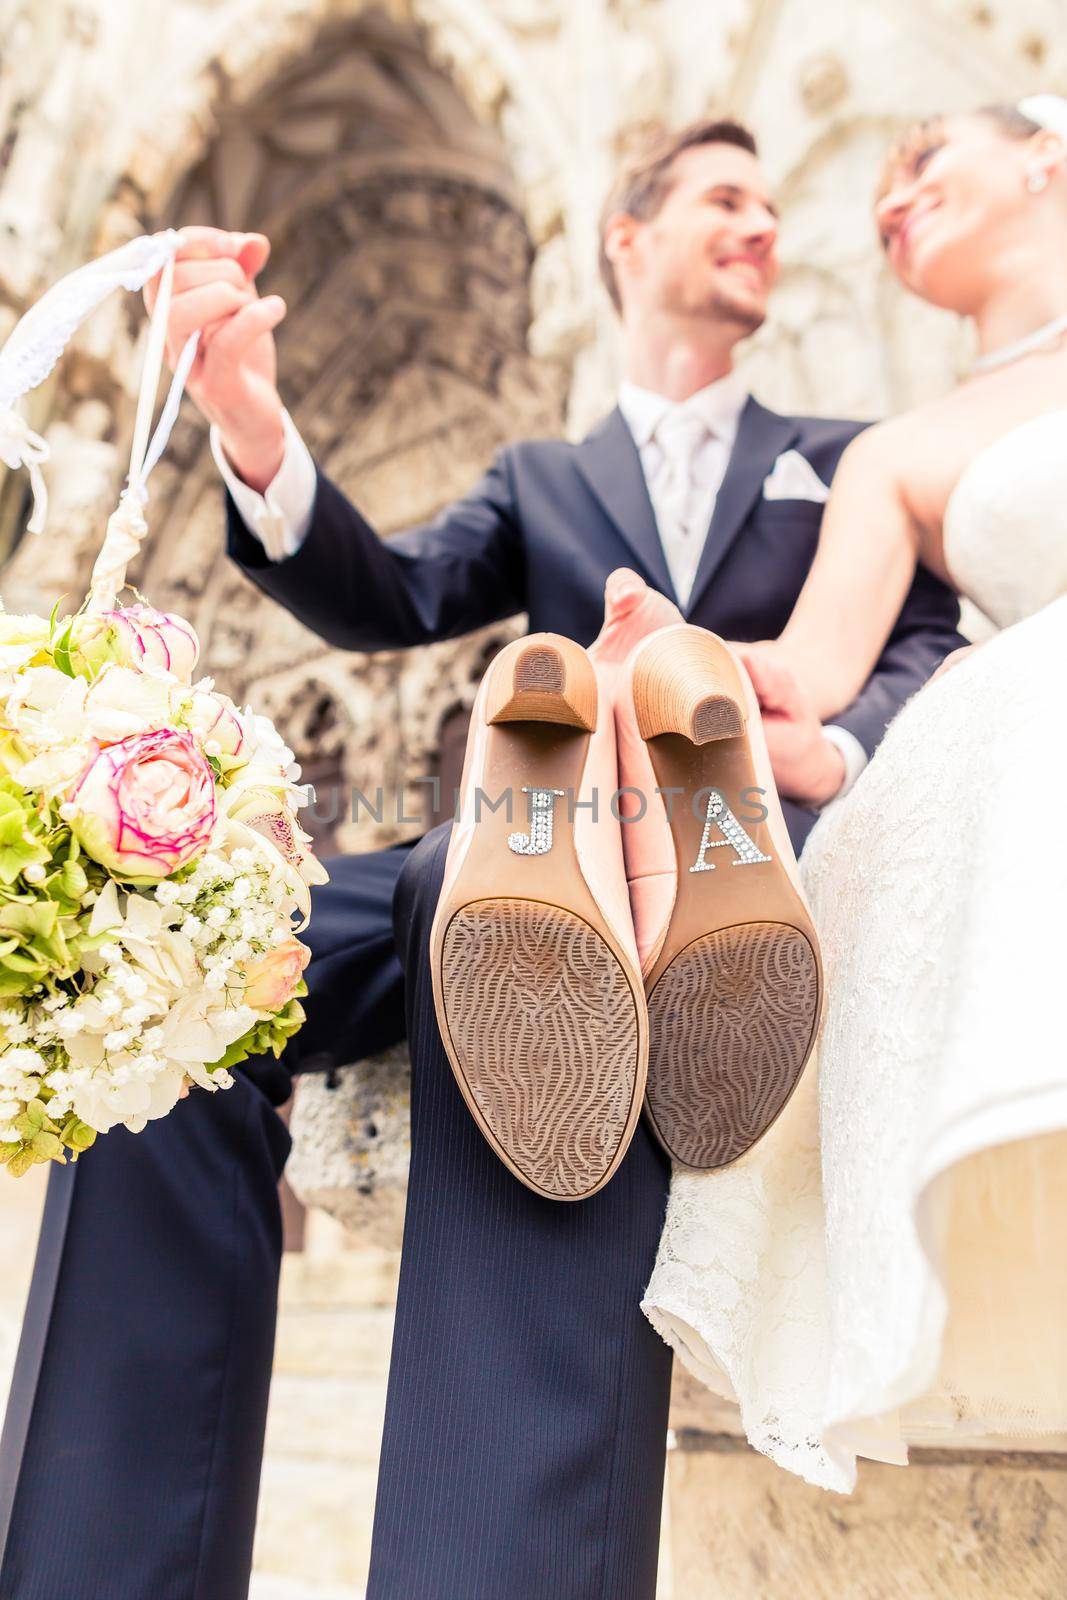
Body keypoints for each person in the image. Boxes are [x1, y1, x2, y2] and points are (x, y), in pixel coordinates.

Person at [0, 119, 962, 1597]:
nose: (764, 223)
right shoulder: (545, 479)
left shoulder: (841, 465)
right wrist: (252, 423)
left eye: (775, 203)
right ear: (624, 237)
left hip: (712, 853)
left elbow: (918, 655)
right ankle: (100, 1560)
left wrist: (801, 732)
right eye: (726, 198)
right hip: (523, 813)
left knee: (501, 898)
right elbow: (392, 592)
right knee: (189, 952)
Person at [643, 96, 1067, 1495]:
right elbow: (806, 681)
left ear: (1046, 157)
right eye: (879, 206)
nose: (892, 207)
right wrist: (687, 660)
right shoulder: (898, 453)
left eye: (925, 162)